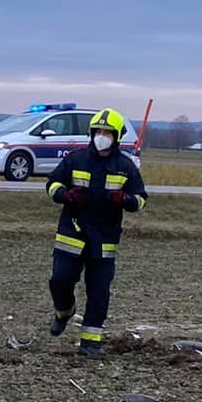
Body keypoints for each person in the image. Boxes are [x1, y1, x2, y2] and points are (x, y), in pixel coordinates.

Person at [42, 109, 148, 356]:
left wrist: (126, 200)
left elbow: (141, 199)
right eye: (98, 132)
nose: (102, 136)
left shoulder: (125, 166)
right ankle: (64, 311)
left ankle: (91, 342)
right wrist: (65, 194)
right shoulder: (75, 159)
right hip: (72, 235)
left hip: (104, 240)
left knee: (99, 292)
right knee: (60, 280)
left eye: (107, 132)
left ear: (116, 136)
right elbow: (52, 183)